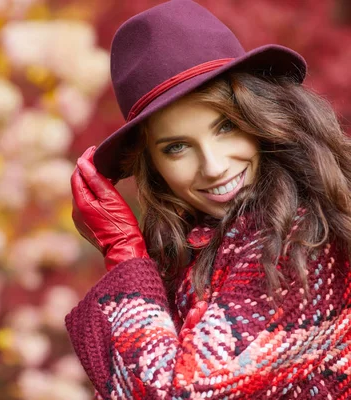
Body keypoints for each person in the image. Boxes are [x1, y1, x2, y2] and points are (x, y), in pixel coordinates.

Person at [66, 0, 351, 399]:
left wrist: (124, 252)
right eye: (177, 147)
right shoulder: (196, 247)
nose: (214, 167)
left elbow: (180, 393)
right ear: (152, 164)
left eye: (226, 126)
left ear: (262, 119)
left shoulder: (300, 238)